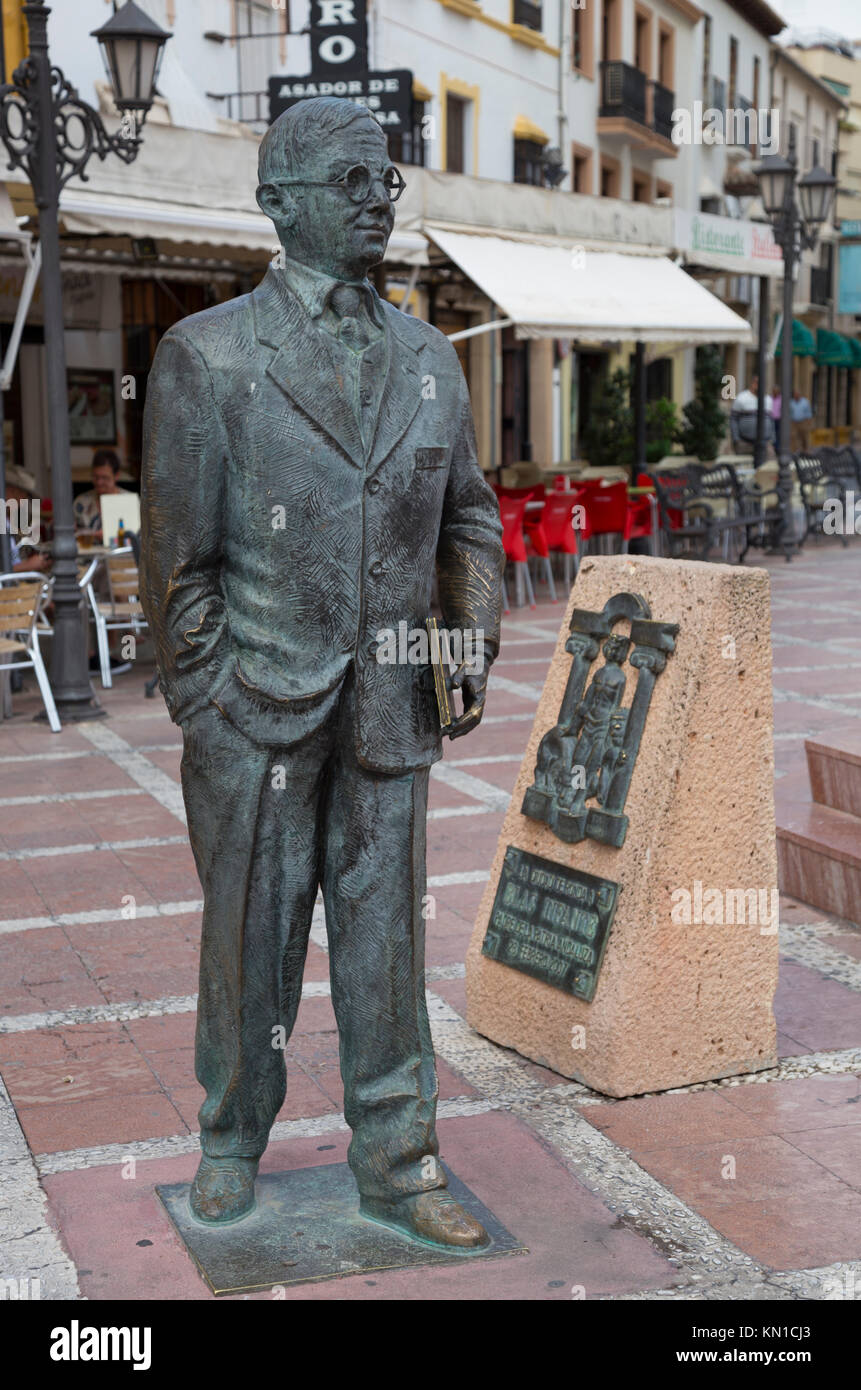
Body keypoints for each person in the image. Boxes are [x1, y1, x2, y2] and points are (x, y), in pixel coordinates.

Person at [140, 97, 504, 1247]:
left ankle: (399, 1160)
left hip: (392, 709)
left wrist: (466, 635)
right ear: (276, 202)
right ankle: (230, 1139)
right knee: (250, 941)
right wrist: (214, 699)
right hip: (256, 712)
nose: (376, 202)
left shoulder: (429, 358)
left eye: (385, 183)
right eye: (351, 181)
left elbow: (470, 527)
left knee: (385, 943)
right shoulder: (207, 356)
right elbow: (175, 565)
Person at [73, 448, 129, 535]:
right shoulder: (81, 503)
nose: (99, 482)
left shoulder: (129, 501)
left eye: (104, 477)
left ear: (117, 475)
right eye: (95, 477)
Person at [730, 374, 774, 453]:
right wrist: (736, 439)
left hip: (765, 444)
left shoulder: (768, 399)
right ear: (752, 383)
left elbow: (771, 420)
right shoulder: (741, 398)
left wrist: (772, 439)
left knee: (770, 464)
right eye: (757, 382)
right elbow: (733, 419)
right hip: (744, 443)